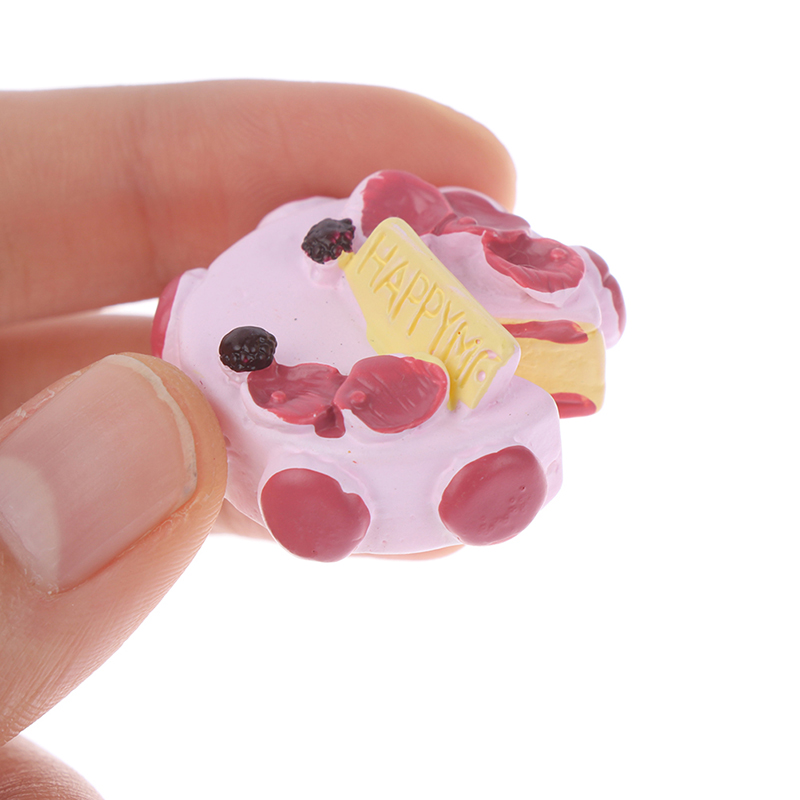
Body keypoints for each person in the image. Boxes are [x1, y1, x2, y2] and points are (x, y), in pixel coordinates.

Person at [0, 79, 516, 797]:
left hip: (416, 380)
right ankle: (333, 483)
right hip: (275, 352)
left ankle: (448, 474)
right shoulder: (284, 272)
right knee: (264, 378)